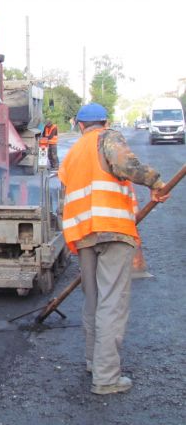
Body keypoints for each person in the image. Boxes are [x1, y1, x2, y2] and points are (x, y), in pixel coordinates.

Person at [58, 103, 169, 395]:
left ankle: (95, 362)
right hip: (112, 230)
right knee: (111, 301)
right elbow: (125, 165)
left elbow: (69, 186)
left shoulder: (72, 153)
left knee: (93, 300)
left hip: (82, 234)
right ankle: (106, 378)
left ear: (79, 125)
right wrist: (155, 182)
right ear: (104, 122)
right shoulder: (107, 138)